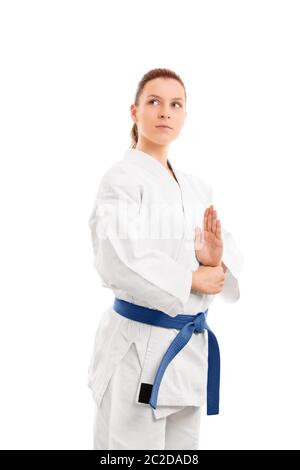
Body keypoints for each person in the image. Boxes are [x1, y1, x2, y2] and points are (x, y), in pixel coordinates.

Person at [87, 68, 243, 450]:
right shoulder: (121, 179)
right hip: (136, 351)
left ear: (185, 117)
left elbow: (224, 253)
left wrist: (215, 261)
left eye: (176, 104)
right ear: (134, 111)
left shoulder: (195, 187)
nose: (164, 112)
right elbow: (116, 257)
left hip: (187, 355)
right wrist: (191, 279)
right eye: (154, 102)